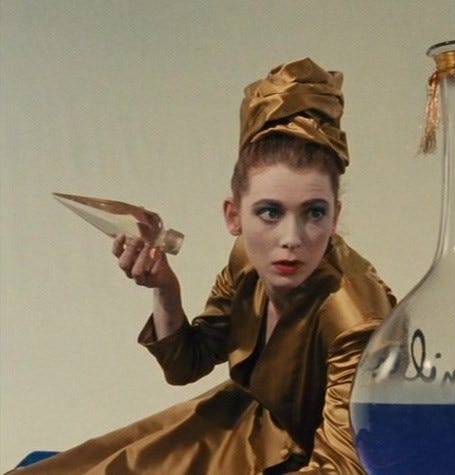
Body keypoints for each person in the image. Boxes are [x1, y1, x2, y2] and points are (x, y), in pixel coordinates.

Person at [9, 57, 395, 474]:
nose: (292, 238)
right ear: (234, 215)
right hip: (240, 426)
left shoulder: (355, 316)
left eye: (314, 212)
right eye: (269, 212)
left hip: (307, 459)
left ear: (335, 217)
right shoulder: (246, 260)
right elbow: (186, 365)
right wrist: (166, 289)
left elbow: (344, 467)